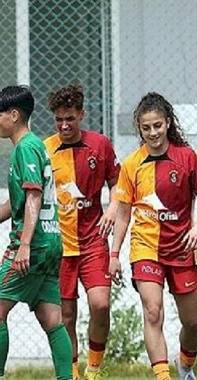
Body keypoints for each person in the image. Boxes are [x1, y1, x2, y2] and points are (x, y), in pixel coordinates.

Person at [110, 92, 197, 380]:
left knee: (192, 323)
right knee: (153, 312)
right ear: (139, 129)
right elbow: (123, 214)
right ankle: (163, 376)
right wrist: (114, 255)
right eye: (146, 128)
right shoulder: (131, 165)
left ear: (167, 123)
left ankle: (186, 366)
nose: (153, 133)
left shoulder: (186, 157)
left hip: (181, 248)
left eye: (157, 126)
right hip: (145, 248)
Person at [44, 84, 121, 380]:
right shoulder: (45, 149)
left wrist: (113, 208)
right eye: (59, 119)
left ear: (82, 115)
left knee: (100, 304)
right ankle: (72, 373)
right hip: (58, 246)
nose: (64, 125)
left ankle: (95, 369)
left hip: (93, 242)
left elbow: (118, 183)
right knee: (66, 316)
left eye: (70, 119)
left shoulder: (100, 145)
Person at [0, 85, 72, 380]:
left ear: (14, 115)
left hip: (35, 244)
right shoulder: (36, 145)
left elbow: (33, 196)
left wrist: (24, 245)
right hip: (52, 241)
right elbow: (17, 201)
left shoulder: (26, 148)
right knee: (51, 318)